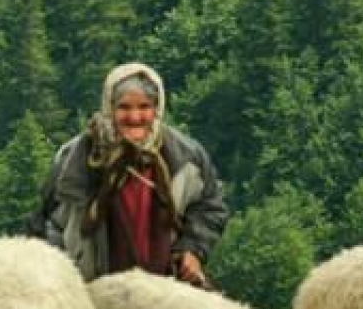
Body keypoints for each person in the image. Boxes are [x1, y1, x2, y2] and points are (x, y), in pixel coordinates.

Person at [27, 62, 228, 285]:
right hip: (91, 291)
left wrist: (192, 249)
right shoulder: (77, 157)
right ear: (109, 108)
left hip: (165, 292)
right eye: (124, 107)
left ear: (157, 108)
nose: (134, 117)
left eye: (144, 107)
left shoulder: (187, 157)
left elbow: (209, 207)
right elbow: (44, 224)